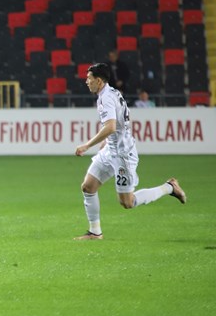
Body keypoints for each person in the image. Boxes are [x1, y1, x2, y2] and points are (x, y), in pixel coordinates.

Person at [73, 63, 186, 241]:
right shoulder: (111, 93)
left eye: (89, 78)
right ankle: (95, 232)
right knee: (88, 186)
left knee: (127, 202)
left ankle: (169, 187)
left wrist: (87, 145)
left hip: (122, 155)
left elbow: (110, 126)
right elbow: (118, 123)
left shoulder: (106, 98)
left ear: (99, 81)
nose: (86, 81)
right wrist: (107, 142)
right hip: (111, 149)